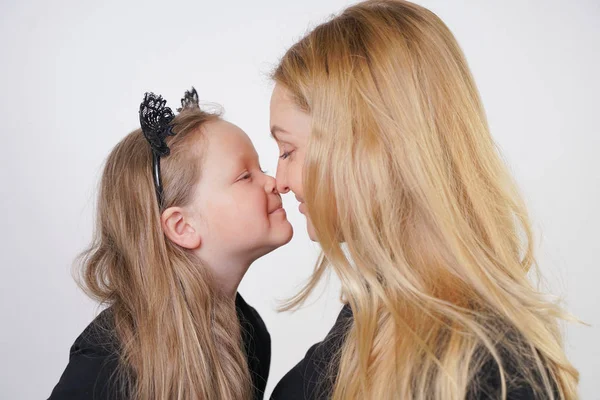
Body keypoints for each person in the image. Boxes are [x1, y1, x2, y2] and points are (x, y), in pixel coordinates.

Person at [268, 1, 579, 399]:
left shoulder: (493, 374)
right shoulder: (363, 327)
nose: (280, 181)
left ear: (367, 146)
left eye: (288, 150)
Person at [49, 88, 293, 400]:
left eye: (262, 169)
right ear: (182, 226)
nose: (273, 182)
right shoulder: (108, 361)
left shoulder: (249, 332)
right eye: (246, 176)